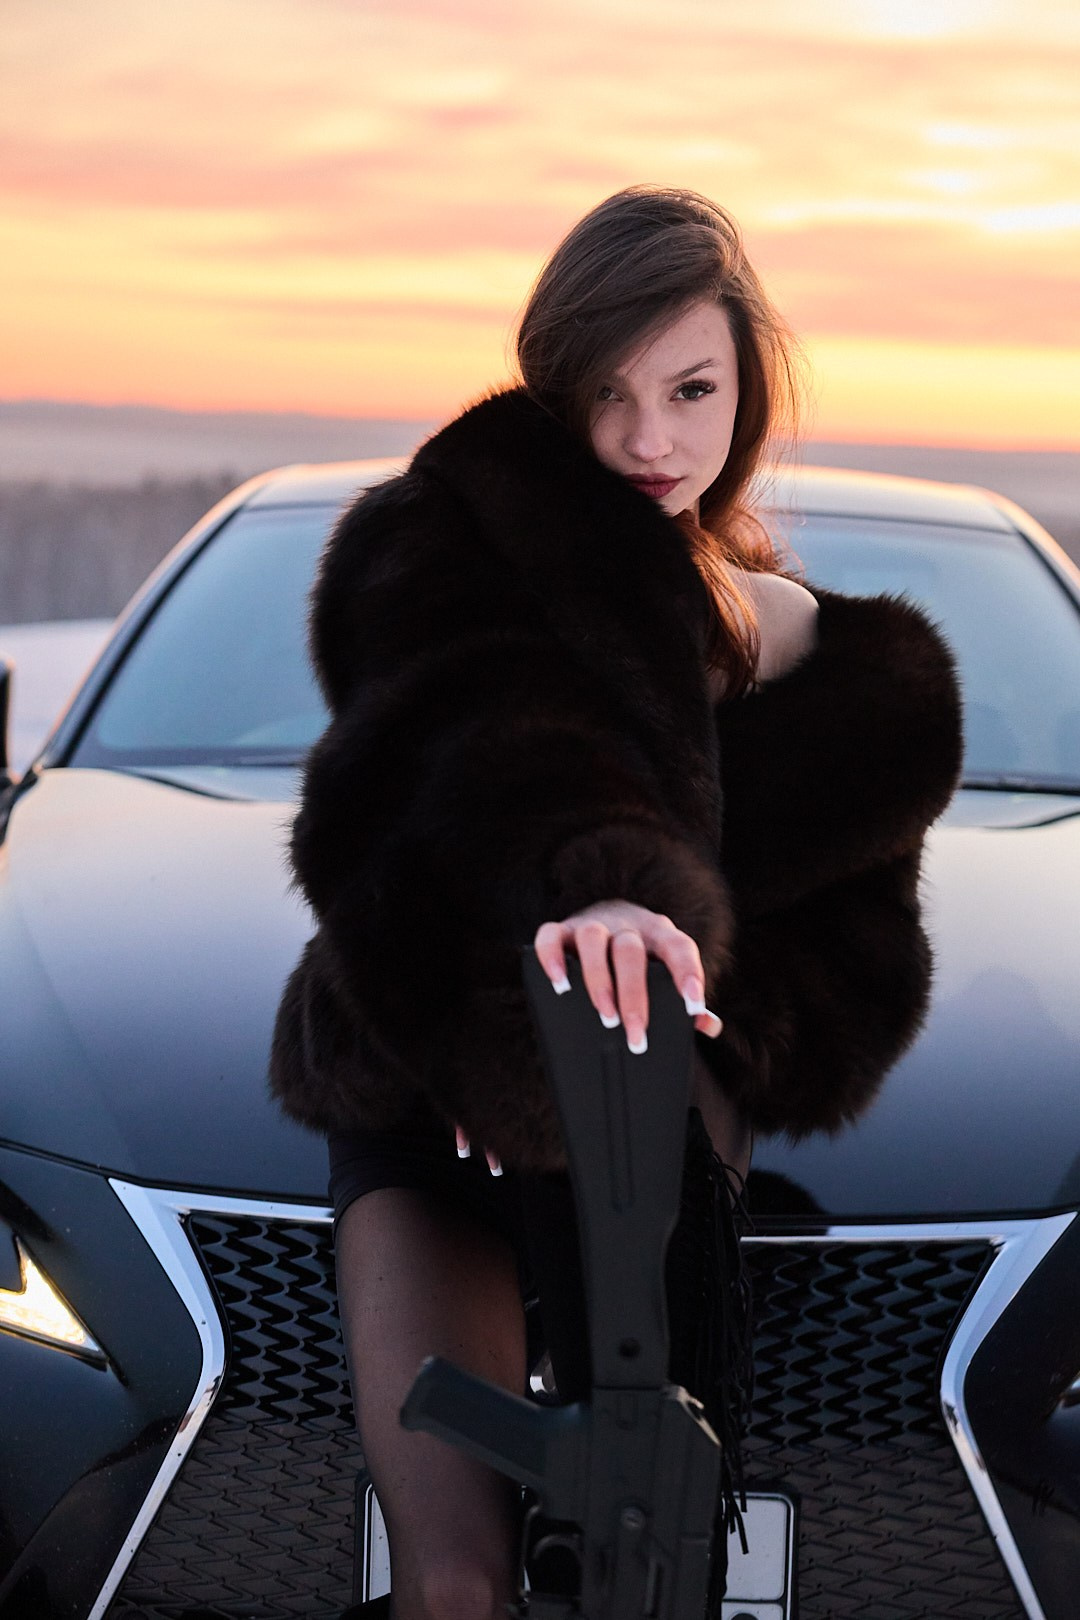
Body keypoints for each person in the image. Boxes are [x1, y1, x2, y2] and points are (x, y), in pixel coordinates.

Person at [269, 185, 964, 1620]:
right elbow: (468, 769)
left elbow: (852, 969)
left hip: (653, 1152)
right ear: (554, 393)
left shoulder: (810, 656)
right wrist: (575, 917)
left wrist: (670, 1001)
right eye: (609, 393)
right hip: (434, 1086)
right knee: (458, 1586)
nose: (652, 439)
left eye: (690, 389)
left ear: (747, 391)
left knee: (644, 1580)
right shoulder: (454, 562)